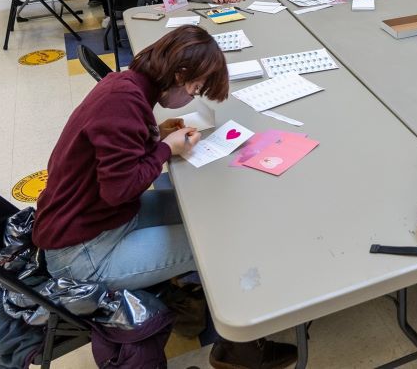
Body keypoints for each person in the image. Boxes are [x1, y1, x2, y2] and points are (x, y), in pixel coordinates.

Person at [32, 26, 297, 369]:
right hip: (83, 253)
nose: (192, 97)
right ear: (178, 74)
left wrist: (155, 136)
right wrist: (162, 149)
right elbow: (119, 189)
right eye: (195, 88)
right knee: (218, 246)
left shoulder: (124, 86)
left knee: (204, 214)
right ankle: (240, 352)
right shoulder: (124, 103)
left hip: (89, 221)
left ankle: (199, 296)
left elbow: (113, 155)